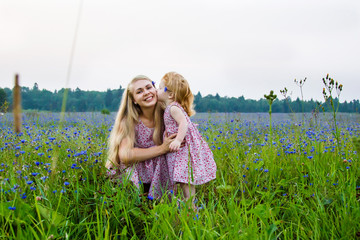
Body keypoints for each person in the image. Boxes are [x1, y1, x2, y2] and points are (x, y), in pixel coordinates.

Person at [105, 75, 175, 199]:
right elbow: (126, 155)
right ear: (134, 100)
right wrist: (162, 149)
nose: (146, 93)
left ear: (155, 89)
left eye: (149, 88)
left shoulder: (168, 113)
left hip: (161, 173)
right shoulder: (129, 121)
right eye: (139, 91)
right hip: (136, 175)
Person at [156, 71, 217, 204]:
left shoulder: (173, 108)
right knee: (180, 178)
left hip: (181, 150)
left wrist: (178, 140)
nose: (157, 90)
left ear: (170, 94)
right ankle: (182, 203)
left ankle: (190, 204)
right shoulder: (170, 107)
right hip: (177, 150)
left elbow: (184, 123)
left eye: (160, 88)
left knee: (185, 179)